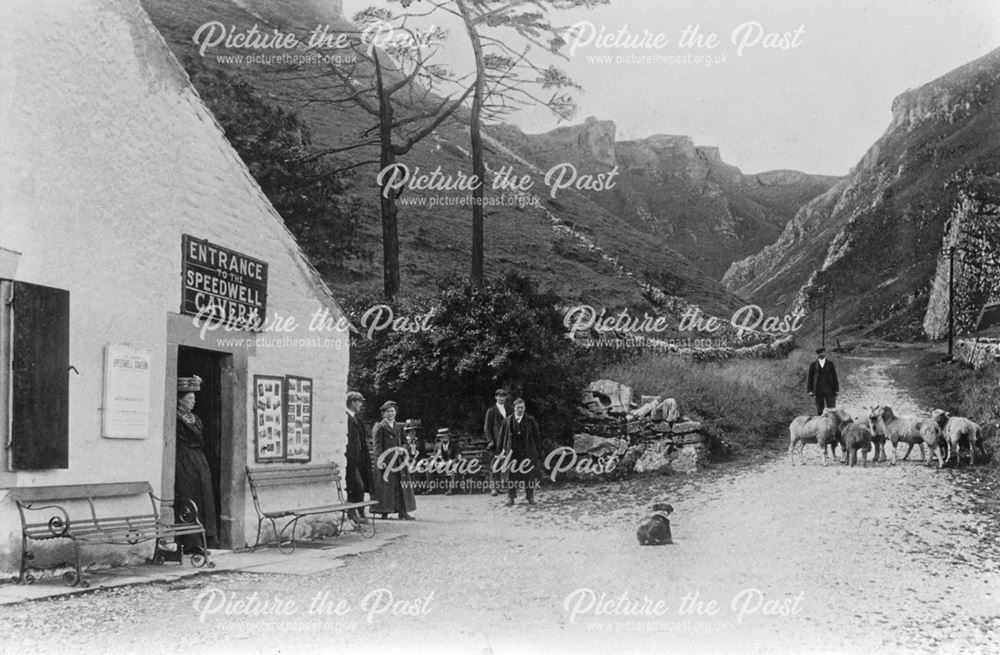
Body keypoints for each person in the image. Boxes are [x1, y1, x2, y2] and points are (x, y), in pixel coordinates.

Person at [175, 375, 218, 552]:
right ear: (180, 400)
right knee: (189, 496)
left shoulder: (196, 418)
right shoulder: (177, 419)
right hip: (184, 460)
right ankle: (190, 542)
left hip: (199, 460)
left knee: (204, 497)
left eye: (194, 399)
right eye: (189, 399)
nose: (193, 402)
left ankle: (204, 540)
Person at [371, 401, 416, 520]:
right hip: (386, 461)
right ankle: (384, 511)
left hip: (398, 461)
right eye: (388, 411)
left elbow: (405, 443)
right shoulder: (380, 427)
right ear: (383, 414)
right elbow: (377, 446)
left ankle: (403, 511)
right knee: (386, 486)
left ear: (395, 412)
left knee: (401, 486)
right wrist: (380, 460)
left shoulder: (399, 427)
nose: (390, 413)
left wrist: (403, 449)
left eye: (392, 411)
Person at [497, 398, 542, 507]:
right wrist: (501, 451)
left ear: (524, 408)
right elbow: (502, 436)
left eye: (522, 408)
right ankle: (511, 497)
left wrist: (537, 452)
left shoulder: (530, 420)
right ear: (514, 408)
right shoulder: (507, 421)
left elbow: (537, 437)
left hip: (527, 452)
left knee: (528, 476)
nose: (520, 410)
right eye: (518, 408)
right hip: (512, 453)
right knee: (512, 476)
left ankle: (530, 496)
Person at [345, 391, 373, 525]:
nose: (361, 404)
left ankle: (360, 510)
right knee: (357, 484)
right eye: (359, 402)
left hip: (360, 457)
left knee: (362, 484)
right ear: (352, 402)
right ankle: (352, 511)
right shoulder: (345, 417)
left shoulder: (357, 418)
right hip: (350, 458)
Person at [483, 388, 511, 496]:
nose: (502, 398)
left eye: (504, 396)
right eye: (500, 396)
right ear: (496, 397)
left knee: (506, 464)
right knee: (494, 465)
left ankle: (503, 486)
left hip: (507, 442)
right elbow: (487, 427)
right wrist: (490, 440)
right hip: (496, 441)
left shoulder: (509, 410)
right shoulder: (491, 411)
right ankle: (493, 488)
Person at [807, 347, 839, 415]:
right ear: (816, 354)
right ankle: (821, 423)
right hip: (818, 390)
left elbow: (834, 377)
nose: (820, 354)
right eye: (818, 353)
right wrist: (809, 390)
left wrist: (836, 389)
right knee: (819, 409)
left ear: (825, 353)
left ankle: (831, 424)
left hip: (829, 389)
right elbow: (810, 378)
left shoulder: (830, 363)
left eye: (821, 352)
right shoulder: (813, 364)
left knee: (832, 409)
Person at [433, 428, 462, 495]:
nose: (443, 438)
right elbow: (436, 456)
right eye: (441, 437)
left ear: (448, 437)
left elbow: (458, 457)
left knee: (456, 467)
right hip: (441, 465)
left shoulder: (455, 445)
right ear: (440, 438)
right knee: (430, 466)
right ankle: (431, 489)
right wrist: (437, 462)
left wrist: (451, 462)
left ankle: (452, 489)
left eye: (445, 436)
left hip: (452, 465)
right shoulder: (437, 445)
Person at [402, 419, 428, 494]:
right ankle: (409, 489)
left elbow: (424, 454)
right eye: (410, 431)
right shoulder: (403, 443)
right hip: (407, 462)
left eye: (414, 431)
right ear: (407, 433)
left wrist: (421, 461)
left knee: (418, 468)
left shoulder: (420, 442)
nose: (413, 433)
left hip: (418, 461)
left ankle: (418, 489)